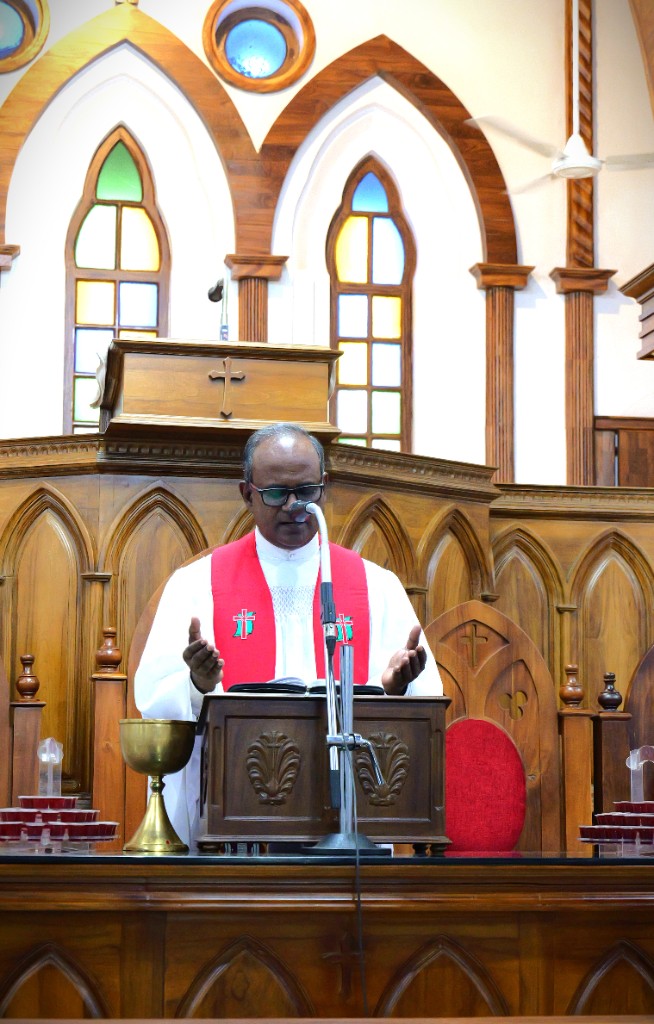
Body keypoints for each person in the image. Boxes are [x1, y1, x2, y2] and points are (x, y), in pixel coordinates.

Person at [135, 423, 443, 844]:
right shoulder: (196, 585)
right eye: (276, 493)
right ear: (247, 493)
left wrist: (394, 688)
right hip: (236, 823)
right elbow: (154, 702)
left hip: (345, 823)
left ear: (324, 486)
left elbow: (424, 710)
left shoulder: (376, 586)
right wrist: (197, 684)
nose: (294, 506)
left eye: (307, 491)